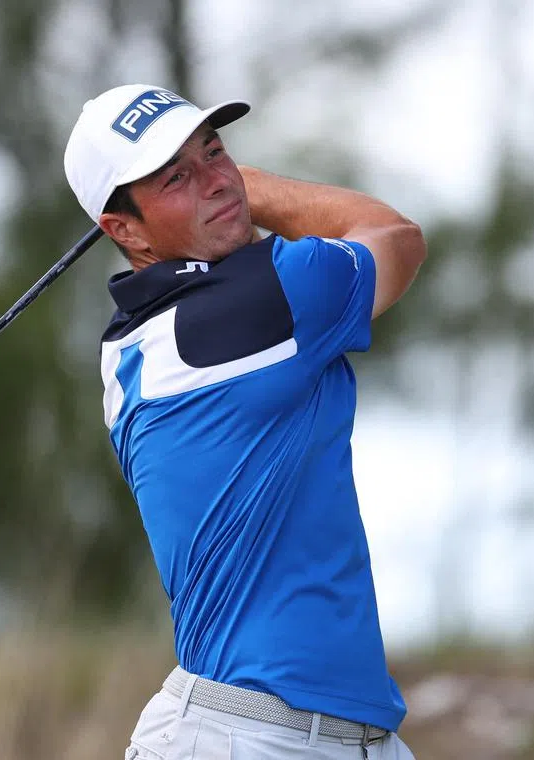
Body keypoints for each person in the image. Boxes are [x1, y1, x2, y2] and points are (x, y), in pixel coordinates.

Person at [63, 84, 427, 760]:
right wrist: (257, 190)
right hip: (255, 737)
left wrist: (207, 193)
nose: (215, 182)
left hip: (281, 731)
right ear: (125, 231)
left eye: (215, 152)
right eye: (177, 176)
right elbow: (395, 237)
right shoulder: (258, 304)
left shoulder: (131, 344)